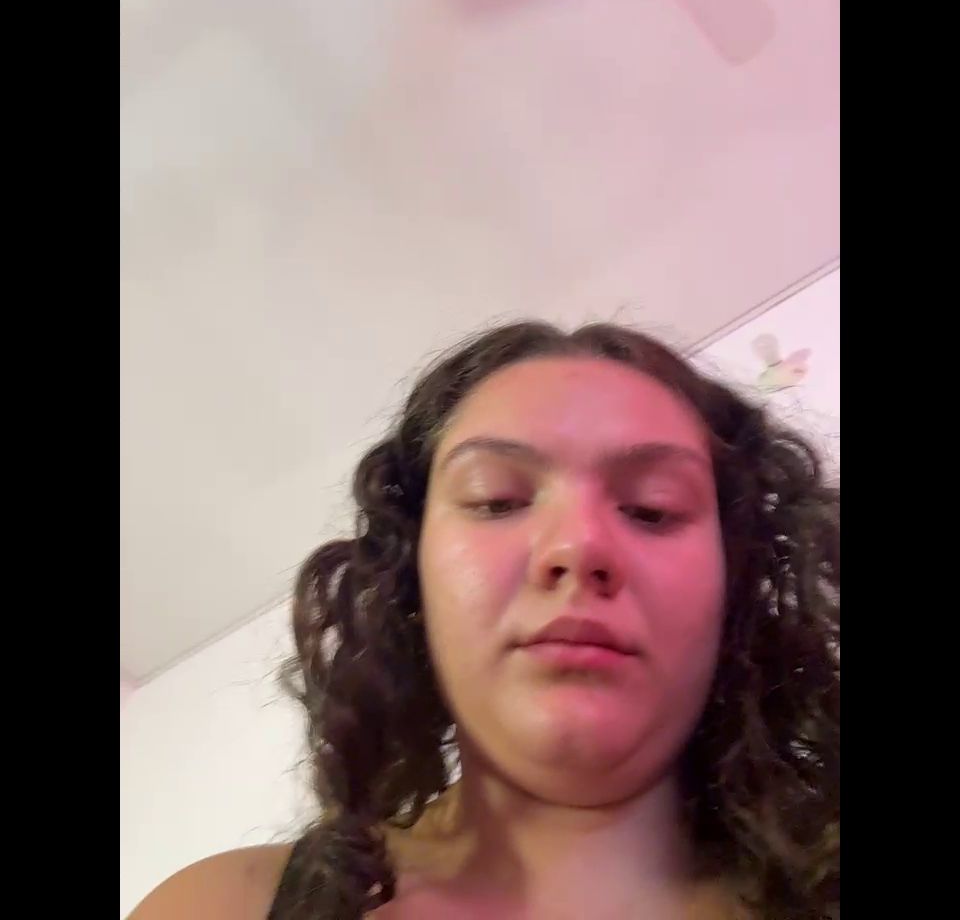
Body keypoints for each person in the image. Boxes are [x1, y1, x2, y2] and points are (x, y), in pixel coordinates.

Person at [129, 321, 840, 920]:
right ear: (410, 577)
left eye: (652, 509)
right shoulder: (217, 907)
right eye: (496, 500)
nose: (578, 545)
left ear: (733, 581)